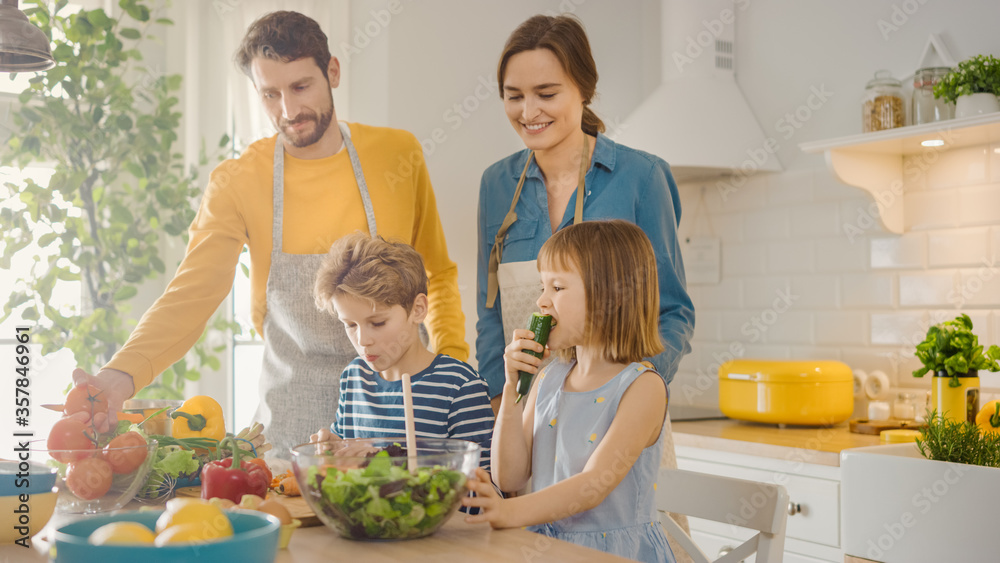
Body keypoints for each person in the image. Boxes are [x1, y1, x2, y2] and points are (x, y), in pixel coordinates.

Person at [72, 11, 467, 459]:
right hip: (294, 416)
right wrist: (120, 376)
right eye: (270, 94)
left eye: (301, 87)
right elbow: (192, 294)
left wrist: (450, 367)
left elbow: (436, 272)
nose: (289, 111)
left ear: (332, 71)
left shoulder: (398, 153)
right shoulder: (239, 180)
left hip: (405, 405)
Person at [476, 14, 694, 412]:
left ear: (583, 90)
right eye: (514, 95)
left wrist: (634, 392)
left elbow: (673, 311)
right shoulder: (497, 184)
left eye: (546, 93)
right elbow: (490, 315)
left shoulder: (642, 178)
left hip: (621, 411)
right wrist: (499, 401)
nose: (528, 112)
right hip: (524, 414)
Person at [464, 220, 675, 563]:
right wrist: (513, 387)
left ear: (611, 295)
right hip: (548, 549)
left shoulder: (642, 387)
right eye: (543, 287)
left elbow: (594, 485)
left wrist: (509, 512)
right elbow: (509, 475)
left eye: (557, 288)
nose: (541, 301)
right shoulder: (550, 378)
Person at [309, 233, 493, 468]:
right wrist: (336, 449)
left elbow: (485, 492)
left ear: (417, 309)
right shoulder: (354, 377)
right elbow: (350, 466)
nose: (363, 340)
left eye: (377, 323)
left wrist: (380, 463)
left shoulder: (460, 387)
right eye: (350, 325)